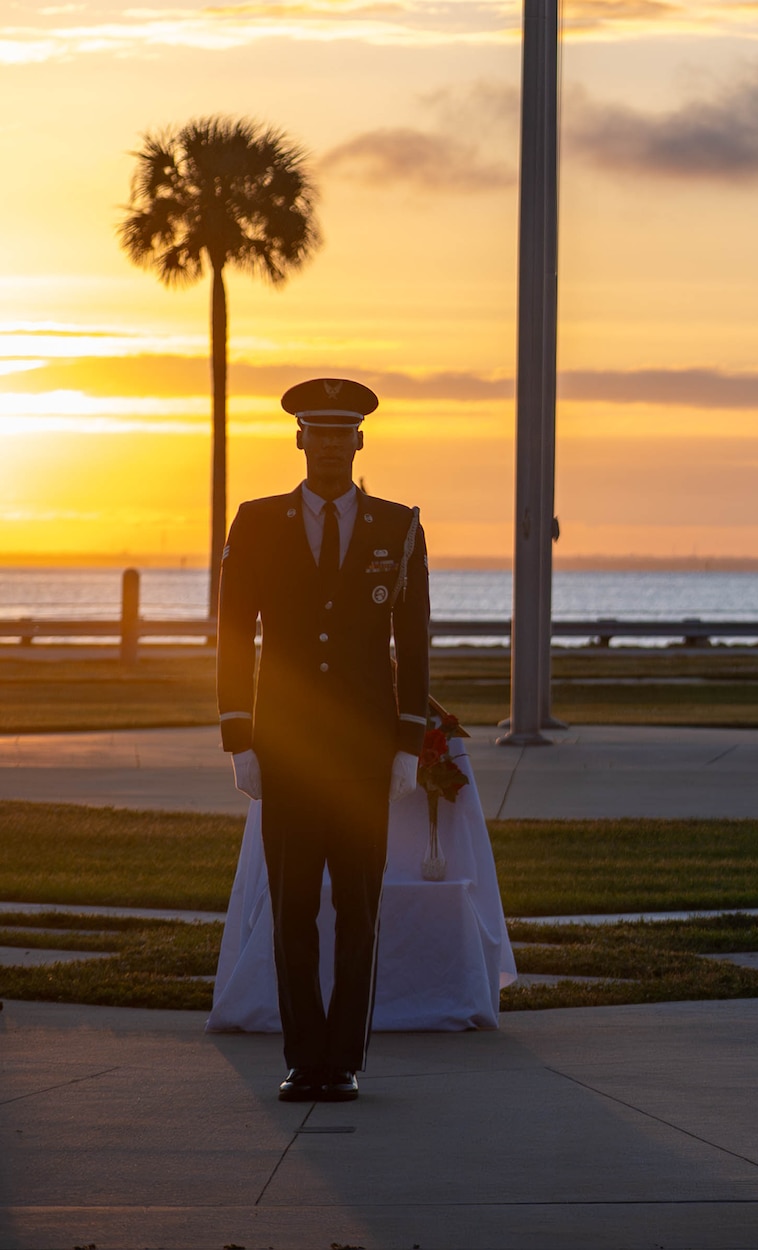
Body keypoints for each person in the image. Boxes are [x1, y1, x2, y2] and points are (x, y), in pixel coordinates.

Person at [218, 378, 431, 1101]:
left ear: (360, 442)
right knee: (294, 909)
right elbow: (231, 638)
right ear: (300, 439)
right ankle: (304, 1057)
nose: (333, 446)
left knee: (358, 912)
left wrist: (409, 743)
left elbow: (416, 641)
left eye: (345, 434)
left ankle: (342, 1060)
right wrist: (238, 737)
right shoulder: (256, 523)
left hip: (364, 752)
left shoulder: (397, 527)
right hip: (288, 749)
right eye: (321, 433)